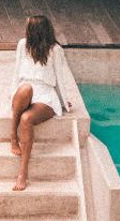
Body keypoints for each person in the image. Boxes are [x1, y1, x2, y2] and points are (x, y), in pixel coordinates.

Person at [10, 13, 75, 191]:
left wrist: (64, 102)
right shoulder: (22, 45)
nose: (25, 30)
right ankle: (12, 137)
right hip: (25, 90)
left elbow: (60, 79)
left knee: (26, 119)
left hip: (45, 95)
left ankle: (23, 173)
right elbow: (16, 73)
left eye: (28, 27)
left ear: (37, 31)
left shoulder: (55, 50)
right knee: (25, 89)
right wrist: (12, 97)